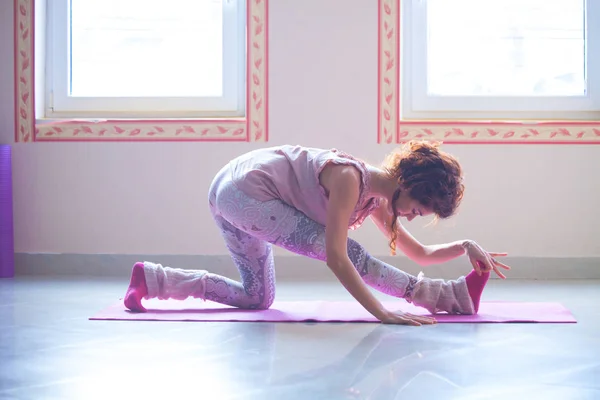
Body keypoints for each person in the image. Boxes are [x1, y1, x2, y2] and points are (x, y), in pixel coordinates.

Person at [124, 141, 510, 325]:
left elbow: (420, 253)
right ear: (406, 183)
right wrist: (382, 313)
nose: (410, 217)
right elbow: (337, 257)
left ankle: (154, 280)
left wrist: (465, 245)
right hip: (245, 194)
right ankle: (445, 296)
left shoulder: (376, 199)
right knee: (352, 252)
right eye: (416, 208)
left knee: (258, 298)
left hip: (231, 192)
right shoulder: (349, 179)